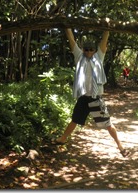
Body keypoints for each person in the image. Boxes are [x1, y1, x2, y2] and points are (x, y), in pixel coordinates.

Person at [52, 28, 129, 157]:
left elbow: (104, 41)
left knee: (108, 124)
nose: (88, 52)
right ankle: (62, 139)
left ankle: (120, 146)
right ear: (83, 50)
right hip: (83, 98)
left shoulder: (99, 56)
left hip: (96, 98)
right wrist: (66, 27)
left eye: (91, 49)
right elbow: (71, 40)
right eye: (86, 49)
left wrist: (107, 28)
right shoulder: (78, 56)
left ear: (94, 50)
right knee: (74, 120)